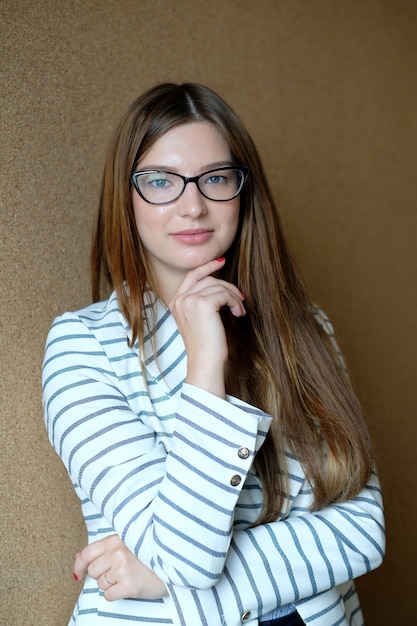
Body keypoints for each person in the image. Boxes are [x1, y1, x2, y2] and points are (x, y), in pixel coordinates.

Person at [42, 82, 385, 626]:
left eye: (217, 178)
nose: (194, 206)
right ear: (124, 196)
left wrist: (159, 581)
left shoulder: (305, 329)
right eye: (160, 181)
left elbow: (363, 533)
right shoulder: (83, 346)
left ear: (243, 191)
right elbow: (186, 555)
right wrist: (205, 363)